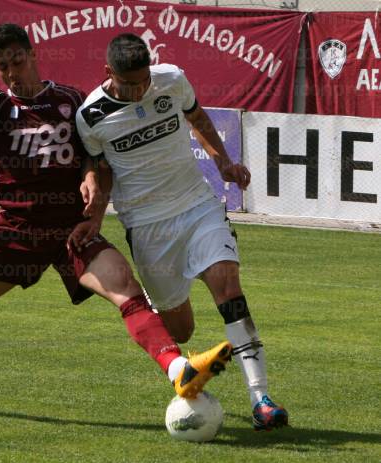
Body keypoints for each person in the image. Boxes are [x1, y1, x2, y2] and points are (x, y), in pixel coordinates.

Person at [0, 12, 233, 405]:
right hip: (18, 230)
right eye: (2, 66)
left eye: (17, 60)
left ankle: (178, 370)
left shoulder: (71, 102)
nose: (12, 72)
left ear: (32, 54)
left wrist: (90, 177)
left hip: (71, 230)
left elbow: (93, 156)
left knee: (127, 290)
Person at [75, 33, 289, 431]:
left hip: (196, 207)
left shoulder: (171, 79)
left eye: (144, 81)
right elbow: (101, 170)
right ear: (108, 73)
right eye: (129, 83)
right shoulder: (90, 115)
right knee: (180, 328)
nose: (140, 90)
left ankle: (261, 397)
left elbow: (197, 116)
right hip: (147, 226)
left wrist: (222, 161)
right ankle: (183, 370)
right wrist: (95, 217)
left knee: (228, 285)